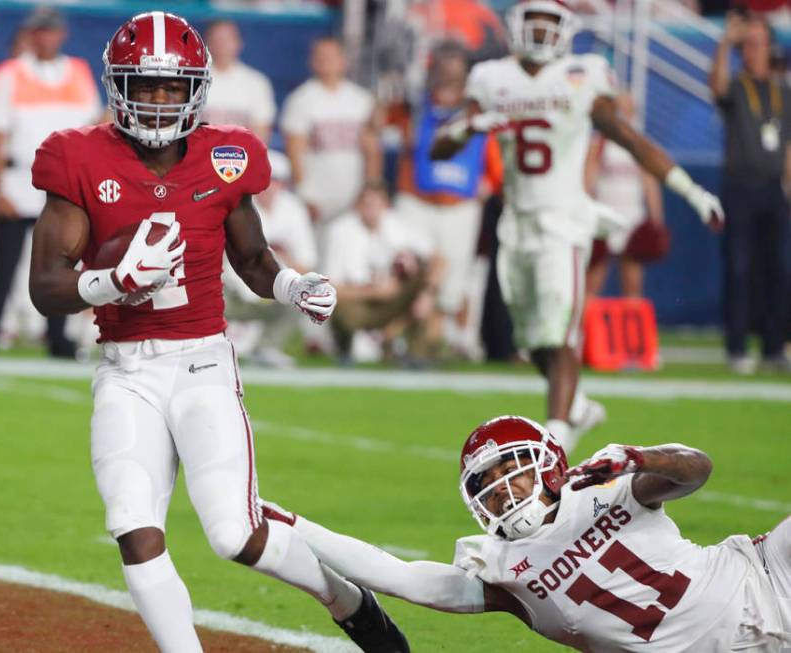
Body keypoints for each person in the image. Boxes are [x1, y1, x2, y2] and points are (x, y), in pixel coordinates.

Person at [26, 12, 408, 653]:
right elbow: (45, 288)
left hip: (202, 363)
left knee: (235, 536)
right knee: (132, 524)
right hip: (126, 369)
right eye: (143, 85)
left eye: (170, 88)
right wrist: (114, 281)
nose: (156, 100)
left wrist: (292, 287)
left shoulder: (227, 155)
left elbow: (253, 260)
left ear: (195, 91)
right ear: (117, 86)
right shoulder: (78, 155)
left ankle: (343, 597)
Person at [432, 0, 723, 452]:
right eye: (534, 22)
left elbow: (628, 138)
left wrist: (692, 191)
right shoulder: (491, 78)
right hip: (517, 223)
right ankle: (579, 406)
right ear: (516, 26)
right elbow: (439, 149)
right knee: (531, 341)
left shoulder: (582, 75)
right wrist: (470, 126)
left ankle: (558, 440)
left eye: (550, 24)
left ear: (566, 30)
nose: (541, 33)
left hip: (564, 220)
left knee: (562, 331)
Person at [266, 415, 791, 652]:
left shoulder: (604, 485)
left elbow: (696, 469)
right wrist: (293, 524)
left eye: (510, 470)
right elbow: (400, 577)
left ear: (547, 463)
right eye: (486, 484)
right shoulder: (499, 569)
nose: (501, 490)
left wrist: (636, 458)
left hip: (765, 577)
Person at [0, 5, 102, 357]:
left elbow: (92, 128)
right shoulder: (11, 74)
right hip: (20, 178)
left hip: (64, 184)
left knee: (62, 263)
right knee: (6, 264)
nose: (47, 38)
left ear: (61, 35)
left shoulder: (77, 72)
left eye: (52, 31)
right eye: (41, 31)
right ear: (32, 35)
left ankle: (57, 335)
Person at [394, 40, 499, 359]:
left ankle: (432, 344)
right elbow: (379, 128)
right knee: (408, 273)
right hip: (417, 201)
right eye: (443, 58)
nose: (448, 66)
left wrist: (490, 184)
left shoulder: (480, 111)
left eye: (455, 60)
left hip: (459, 206)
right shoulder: (414, 106)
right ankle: (401, 341)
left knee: (452, 283)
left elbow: (496, 159)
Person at [710, 11, 791, 375]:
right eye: (749, 44)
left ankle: (775, 347)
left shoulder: (782, 90)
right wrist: (725, 42)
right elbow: (716, 88)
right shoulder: (737, 86)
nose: (754, 50)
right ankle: (738, 347)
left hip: (774, 189)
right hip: (741, 186)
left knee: (779, 268)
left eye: (759, 43)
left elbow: (788, 143)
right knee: (739, 268)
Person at [324, 181, 443, 366]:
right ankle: (344, 348)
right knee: (336, 306)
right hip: (360, 301)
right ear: (357, 206)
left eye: (376, 203)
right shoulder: (340, 231)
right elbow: (329, 286)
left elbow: (439, 260)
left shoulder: (400, 226)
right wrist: (373, 291)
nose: (371, 209)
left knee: (425, 283)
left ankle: (417, 356)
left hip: (396, 300)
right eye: (366, 204)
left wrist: (428, 292)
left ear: (385, 205)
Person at [222, 150, 317, 367]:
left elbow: (307, 263)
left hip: (275, 288)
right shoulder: (236, 204)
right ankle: (208, 348)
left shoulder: (294, 210)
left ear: (283, 184)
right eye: (265, 180)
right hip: (233, 289)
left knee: (308, 292)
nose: (269, 187)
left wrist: (282, 260)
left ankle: (268, 347)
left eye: (275, 181)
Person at [281, 37, 382, 227]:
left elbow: (372, 151)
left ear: (344, 61)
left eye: (332, 56)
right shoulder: (301, 99)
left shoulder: (362, 100)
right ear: (312, 61)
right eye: (321, 57)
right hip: (316, 197)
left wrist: (370, 192)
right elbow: (295, 151)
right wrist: (304, 193)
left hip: (353, 193)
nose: (326, 61)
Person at [584, 93, 666, 299]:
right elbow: (588, 179)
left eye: (628, 106)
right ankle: (585, 329)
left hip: (632, 218)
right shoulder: (599, 142)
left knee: (633, 284)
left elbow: (650, 182)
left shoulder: (639, 142)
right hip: (605, 216)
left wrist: (656, 218)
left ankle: (631, 330)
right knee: (593, 281)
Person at [201, 19, 276, 143]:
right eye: (216, 39)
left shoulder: (257, 82)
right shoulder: (193, 79)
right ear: (206, 43)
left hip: (241, 156)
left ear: (239, 43)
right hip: (199, 156)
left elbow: (260, 135)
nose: (221, 44)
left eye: (226, 39)